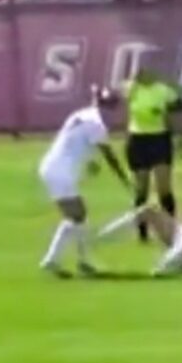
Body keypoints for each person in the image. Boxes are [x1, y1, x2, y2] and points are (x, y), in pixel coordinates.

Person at [38, 85, 131, 278]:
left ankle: (79, 261)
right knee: (78, 217)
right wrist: (125, 180)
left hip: (52, 167)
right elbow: (109, 155)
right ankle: (56, 259)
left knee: (77, 217)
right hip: (60, 171)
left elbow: (76, 142)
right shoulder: (97, 124)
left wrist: (90, 162)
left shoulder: (81, 115)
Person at [123, 68, 182, 242]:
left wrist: (165, 109)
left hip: (159, 138)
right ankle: (142, 232)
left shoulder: (162, 90)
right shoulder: (132, 89)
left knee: (163, 187)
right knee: (141, 188)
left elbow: (180, 105)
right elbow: (123, 95)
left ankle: (171, 229)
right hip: (137, 139)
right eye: (138, 72)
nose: (142, 74)